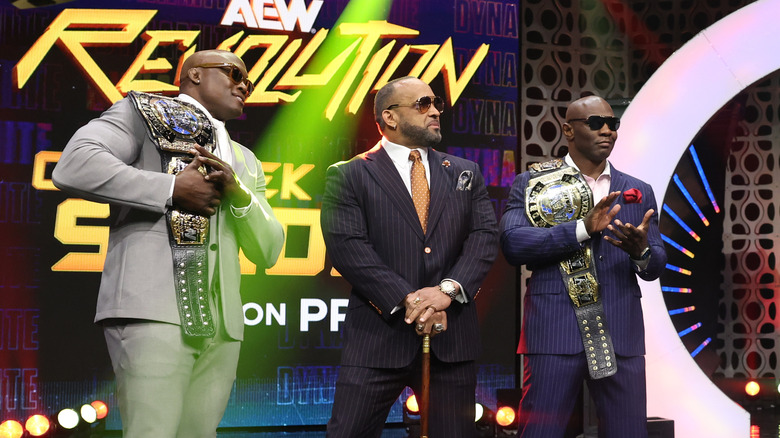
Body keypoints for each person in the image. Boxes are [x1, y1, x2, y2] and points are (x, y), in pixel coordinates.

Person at [52, 49, 285, 438]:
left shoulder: (245, 161)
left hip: (222, 326)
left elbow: (269, 249)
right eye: (233, 73)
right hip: (153, 310)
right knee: (152, 432)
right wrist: (171, 188)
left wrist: (240, 195)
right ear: (193, 75)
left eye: (249, 80)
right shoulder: (141, 113)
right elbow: (75, 163)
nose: (244, 85)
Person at [321, 76, 498, 437]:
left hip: (452, 339)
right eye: (422, 104)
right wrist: (410, 299)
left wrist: (446, 291)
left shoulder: (465, 172)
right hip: (377, 337)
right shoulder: (350, 174)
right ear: (390, 117)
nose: (434, 111)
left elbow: (484, 237)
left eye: (435, 104)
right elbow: (348, 247)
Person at [499, 95, 667, 437]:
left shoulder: (638, 190)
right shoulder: (533, 184)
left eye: (612, 124)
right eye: (595, 123)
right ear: (568, 130)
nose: (607, 130)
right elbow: (514, 245)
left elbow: (655, 265)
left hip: (621, 331)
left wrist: (641, 252)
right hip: (555, 331)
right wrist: (581, 229)